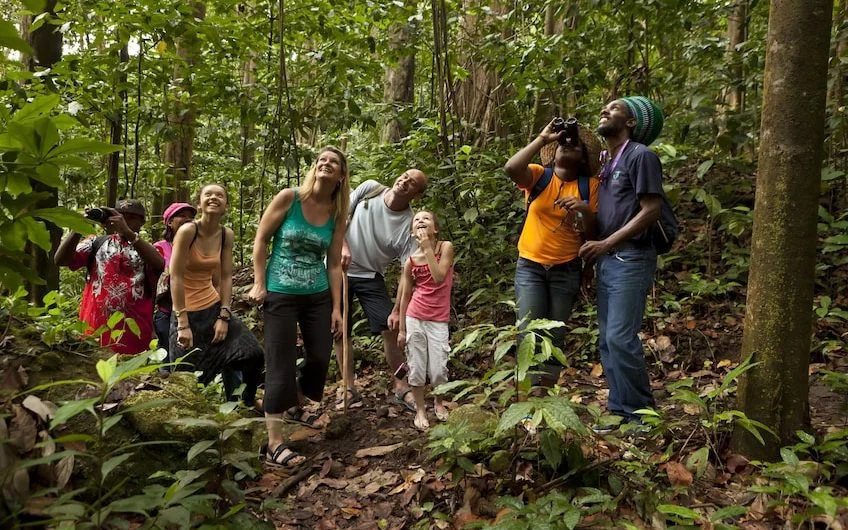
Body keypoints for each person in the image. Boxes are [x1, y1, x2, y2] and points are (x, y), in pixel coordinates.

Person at [248, 146, 348, 467]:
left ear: (340, 175)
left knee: (320, 357)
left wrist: (336, 308)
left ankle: (293, 401)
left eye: (334, 162)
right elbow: (261, 239)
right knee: (281, 362)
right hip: (280, 291)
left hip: (317, 293)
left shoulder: (336, 212)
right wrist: (259, 282)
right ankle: (275, 442)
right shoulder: (289, 198)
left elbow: (333, 264)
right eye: (322, 160)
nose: (326, 163)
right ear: (315, 167)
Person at [578, 96, 665, 426]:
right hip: (608, 261)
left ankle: (641, 414)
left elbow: (651, 209)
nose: (605, 110)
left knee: (619, 337)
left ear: (631, 123)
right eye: (605, 107)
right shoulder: (605, 161)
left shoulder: (640, 156)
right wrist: (592, 259)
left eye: (615, 109)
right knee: (606, 339)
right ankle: (618, 411)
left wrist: (606, 244)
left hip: (631, 257)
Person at [503, 120, 601, 389]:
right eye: (563, 144)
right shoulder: (538, 175)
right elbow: (511, 168)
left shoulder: (590, 186)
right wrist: (542, 139)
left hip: (566, 269)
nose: (568, 146)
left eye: (575, 145)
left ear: (583, 158)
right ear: (554, 152)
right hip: (531, 267)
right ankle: (526, 397)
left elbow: (592, 234)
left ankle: (543, 395)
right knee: (528, 332)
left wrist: (584, 209)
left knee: (554, 335)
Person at [336, 169, 428, 412]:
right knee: (338, 329)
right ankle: (348, 386)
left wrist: (398, 309)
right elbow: (339, 215)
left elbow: (406, 273)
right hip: (339, 268)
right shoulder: (370, 189)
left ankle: (401, 384)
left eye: (413, 184)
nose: (405, 182)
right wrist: (343, 244)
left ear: (416, 195)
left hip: (370, 275)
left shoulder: (409, 226)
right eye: (405, 176)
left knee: (391, 326)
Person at [169, 184, 263, 407]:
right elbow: (176, 277)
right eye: (208, 195)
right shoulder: (187, 231)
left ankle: (246, 403)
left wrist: (224, 314)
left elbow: (226, 276)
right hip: (185, 311)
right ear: (199, 203)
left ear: (226, 205)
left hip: (212, 306)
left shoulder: (225, 235)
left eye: (219, 195)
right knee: (186, 380)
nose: (214, 198)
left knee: (253, 354)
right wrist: (183, 323)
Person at [54, 199, 164, 355]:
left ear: (142, 222)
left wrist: (128, 232)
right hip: (93, 331)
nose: (124, 221)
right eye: (120, 216)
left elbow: (159, 264)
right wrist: (79, 226)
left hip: (134, 333)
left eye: (131, 217)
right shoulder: (95, 243)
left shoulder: (149, 249)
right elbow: (60, 260)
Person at [397, 210, 455, 430]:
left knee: (439, 367)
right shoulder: (410, 262)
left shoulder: (445, 248)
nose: (420, 221)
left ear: (435, 229)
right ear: (413, 231)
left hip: (438, 318)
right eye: (416, 220)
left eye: (426, 218)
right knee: (417, 366)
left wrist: (428, 249)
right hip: (415, 316)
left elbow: (439, 277)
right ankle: (420, 410)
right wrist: (402, 329)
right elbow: (405, 296)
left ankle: (439, 402)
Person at [152, 202, 197, 358]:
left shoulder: (200, 247)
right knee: (168, 358)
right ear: (169, 222)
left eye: (191, 217)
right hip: (167, 311)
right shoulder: (159, 247)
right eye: (182, 216)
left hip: (197, 310)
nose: (187, 219)